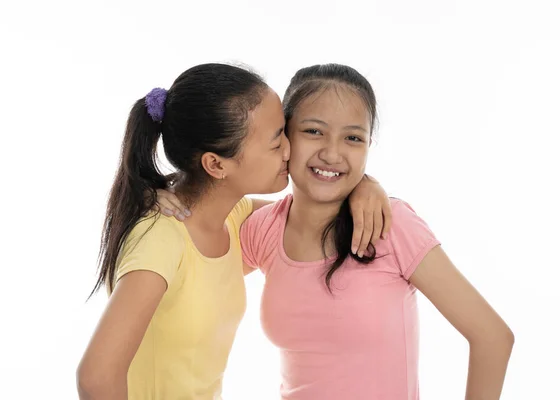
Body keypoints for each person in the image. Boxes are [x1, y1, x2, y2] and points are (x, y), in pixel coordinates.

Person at [159, 63, 514, 399]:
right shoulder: (262, 230)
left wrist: (367, 186)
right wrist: (156, 196)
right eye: (314, 131)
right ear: (284, 139)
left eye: (353, 138)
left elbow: (492, 337)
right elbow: (195, 254)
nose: (332, 153)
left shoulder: (390, 226)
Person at [77, 63, 391, 400]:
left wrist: (365, 185)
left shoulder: (235, 219)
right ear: (216, 165)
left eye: (285, 132)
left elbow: (311, 214)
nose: (290, 149)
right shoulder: (161, 241)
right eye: (275, 143)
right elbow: (96, 376)